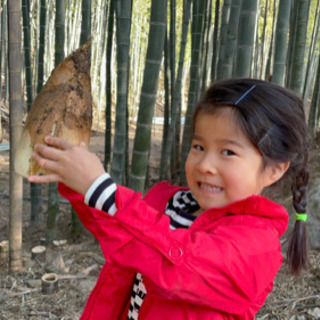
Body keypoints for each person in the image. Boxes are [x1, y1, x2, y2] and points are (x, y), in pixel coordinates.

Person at [28, 78, 309, 320]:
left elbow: (174, 264)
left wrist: (100, 189)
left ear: (274, 169)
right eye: (199, 146)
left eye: (228, 152)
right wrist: (79, 184)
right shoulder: (167, 202)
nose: (205, 165)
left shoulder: (255, 248)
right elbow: (124, 237)